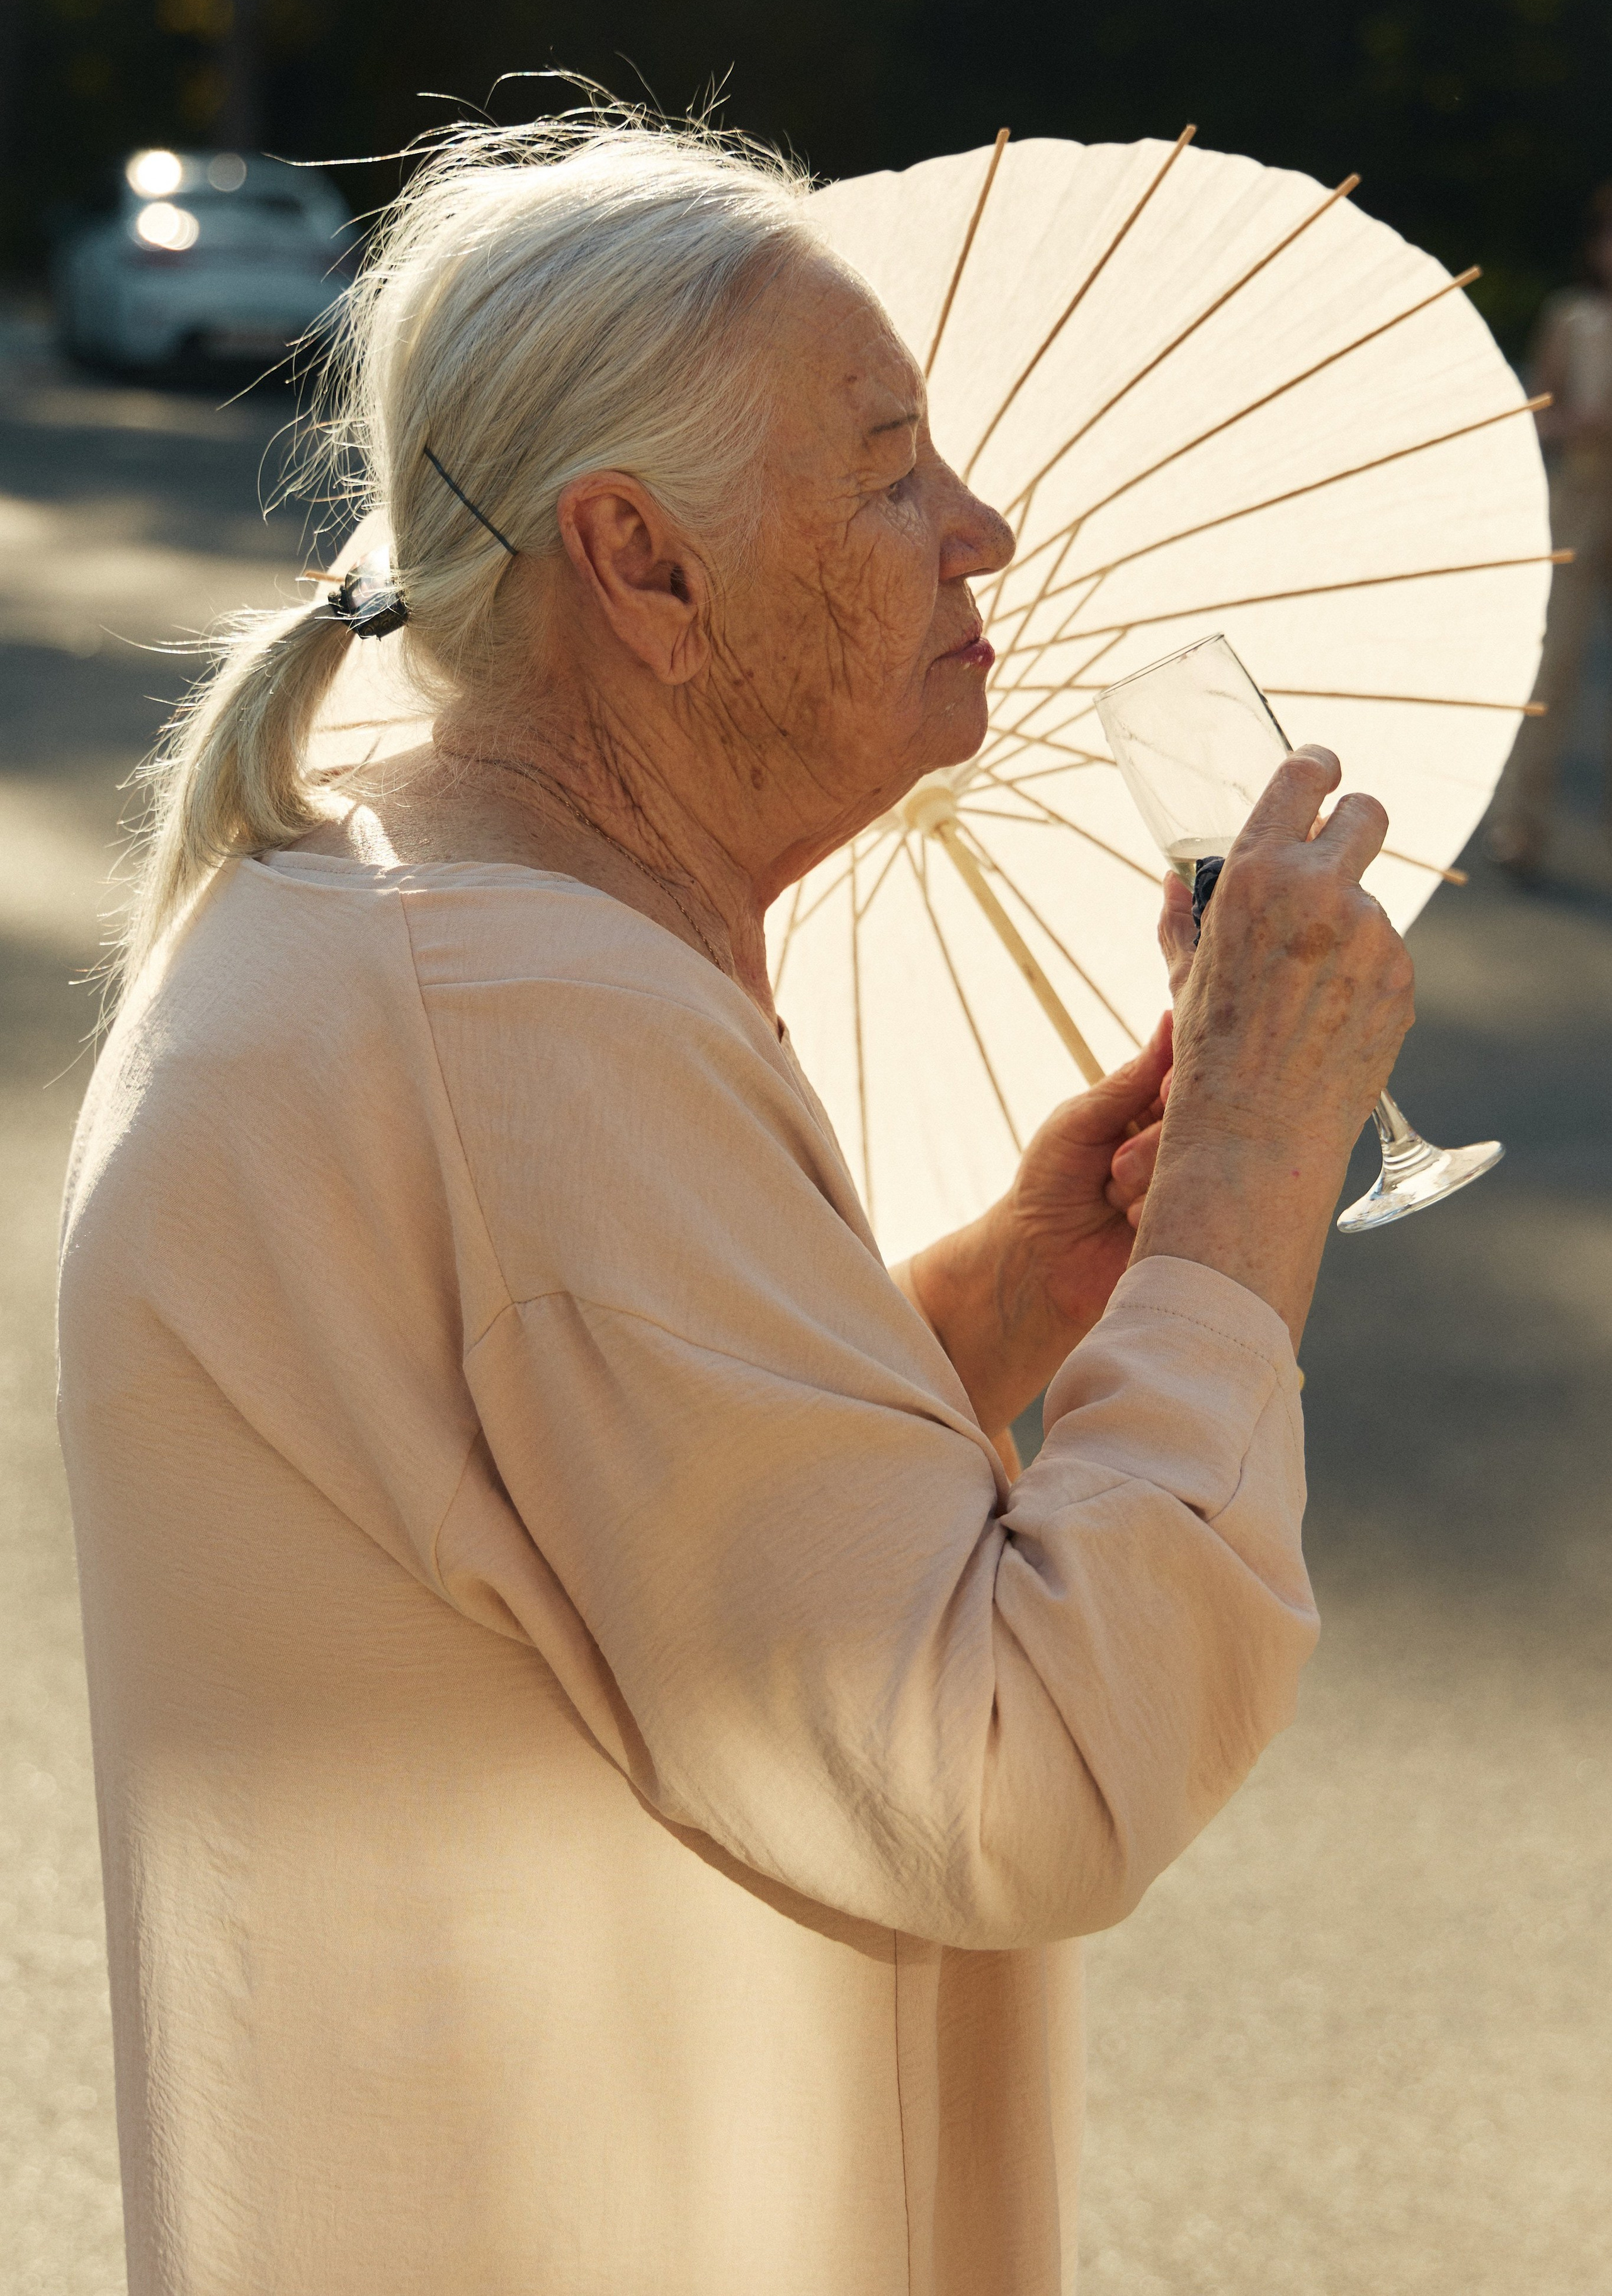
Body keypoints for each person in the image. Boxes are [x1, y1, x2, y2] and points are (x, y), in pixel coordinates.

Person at [57, 112, 1413, 2296]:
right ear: (643, 564)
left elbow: (566, 1548)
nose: (981, 527)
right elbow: (1026, 1771)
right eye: (889, 466)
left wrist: (969, 1322)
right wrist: (1251, 1172)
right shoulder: (535, 1025)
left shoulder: (380, 920)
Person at [1488, 181, 1612, 877]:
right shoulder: (1573, 318)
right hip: (1579, 498)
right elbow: (1536, 409)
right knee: (1553, 666)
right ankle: (1522, 822)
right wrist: (1574, 424)